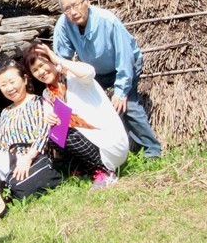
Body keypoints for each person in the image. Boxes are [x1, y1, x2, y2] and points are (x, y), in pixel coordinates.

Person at [53, 0, 162, 157]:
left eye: (76, 5)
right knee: (89, 106)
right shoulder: (64, 25)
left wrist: (121, 90)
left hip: (126, 64)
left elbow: (124, 57)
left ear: (87, 2)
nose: (73, 12)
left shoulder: (107, 20)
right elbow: (62, 58)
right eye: (67, 8)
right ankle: (100, 152)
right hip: (97, 71)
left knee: (128, 105)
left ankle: (152, 151)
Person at [23, 41, 129, 189]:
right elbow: (49, 117)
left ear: (51, 60)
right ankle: (87, 170)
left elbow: (89, 71)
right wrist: (50, 118)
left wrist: (58, 60)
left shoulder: (73, 75)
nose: (41, 72)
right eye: (35, 70)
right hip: (91, 144)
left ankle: (106, 173)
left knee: (67, 134)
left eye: (43, 64)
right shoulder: (47, 93)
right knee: (54, 135)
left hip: (110, 142)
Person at [0, 60, 61, 209]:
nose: (9, 88)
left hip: (32, 157)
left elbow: (44, 133)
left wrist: (28, 158)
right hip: (10, 161)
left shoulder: (39, 102)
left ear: (25, 79)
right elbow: (0, 144)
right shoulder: (5, 112)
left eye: (12, 82)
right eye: (3, 85)